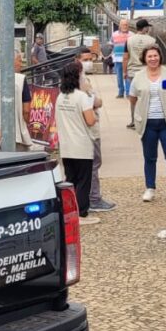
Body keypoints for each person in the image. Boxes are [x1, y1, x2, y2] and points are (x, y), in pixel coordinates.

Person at [129, 45, 166, 203]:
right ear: (144, 59)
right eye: (149, 56)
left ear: (160, 56)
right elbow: (132, 98)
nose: (153, 59)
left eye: (155, 55)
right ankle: (150, 188)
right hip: (147, 123)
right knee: (149, 157)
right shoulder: (138, 77)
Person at [56, 60, 100, 225]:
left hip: (66, 146)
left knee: (71, 180)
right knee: (83, 181)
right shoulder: (82, 97)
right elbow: (90, 120)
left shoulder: (61, 96)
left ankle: (69, 212)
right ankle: (81, 213)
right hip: (81, 145)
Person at [75, 46, 116, 212]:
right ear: (76, 61)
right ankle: (93, 198)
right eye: (85, 60)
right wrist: (96, 101)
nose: (89, 63)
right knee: (92, 163)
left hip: (83, 129)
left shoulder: (81, 78)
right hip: (88, 128)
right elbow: (92, 102)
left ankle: (85, 198)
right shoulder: (79, 80)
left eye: (90, 59)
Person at [0, 50, 33, 152]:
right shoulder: (20, 79)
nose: (21, 64)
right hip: (15, 135)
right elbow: (26, 111)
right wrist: (27, 123)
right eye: (19, 61)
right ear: (12, 61)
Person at [124, 18, 157, 128]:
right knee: (147, 96)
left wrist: (125, 72)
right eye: (147, 27)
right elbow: (156, 57)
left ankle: (133, 120)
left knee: (133, 97)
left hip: (133, 72)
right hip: (147, 72)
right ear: (145, 28)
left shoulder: (129, 40)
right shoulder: (152, 41)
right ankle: (147, 119)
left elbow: (125, 57)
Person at [111, 19, 130, 98]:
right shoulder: (114, 34)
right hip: (117, 59)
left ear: (128, 26)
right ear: (119, 26)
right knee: (119, 77)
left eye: (126, 24)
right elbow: (112, 44)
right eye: (123, 24)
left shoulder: (131, 35)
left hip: (128, 59)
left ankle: (128, 93)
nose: (124, 26)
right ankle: (120, 92)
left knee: (127, 76)